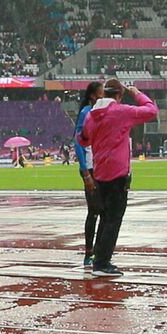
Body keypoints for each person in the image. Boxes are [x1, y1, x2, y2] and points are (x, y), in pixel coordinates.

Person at [79, 77, 157, 277]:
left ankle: (99, 257)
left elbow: (83, 139)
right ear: (120, 95)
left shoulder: (91, 115)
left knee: (104, 217)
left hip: (100, 171)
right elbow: (151, 110)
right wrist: (137, 93)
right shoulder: (122, 112)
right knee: (114, 218)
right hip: (118, 172)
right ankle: (102, 263)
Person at [75, 80, 105, 270]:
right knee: (94, 211)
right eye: (102, 93)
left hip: (101, 167)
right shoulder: (87, 112)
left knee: (103, 212)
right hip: (91, 168)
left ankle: (100, 253)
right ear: (94, 95)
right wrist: (85, 171)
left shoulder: (98, 113)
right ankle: (89, 254)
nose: (105, 96)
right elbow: (78, 143)